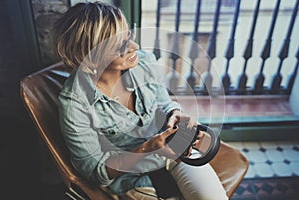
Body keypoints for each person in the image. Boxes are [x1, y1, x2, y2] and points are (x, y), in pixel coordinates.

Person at [55, 1, 228, 199]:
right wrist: (146, 149)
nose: (135, 47)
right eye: (120, 46)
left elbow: (163, 103)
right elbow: (96, 171)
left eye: (129, 35)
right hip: (128, 177)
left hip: (173, 153)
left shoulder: (144, 60)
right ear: (92, 58)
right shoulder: (74, 104)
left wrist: (174, 114)